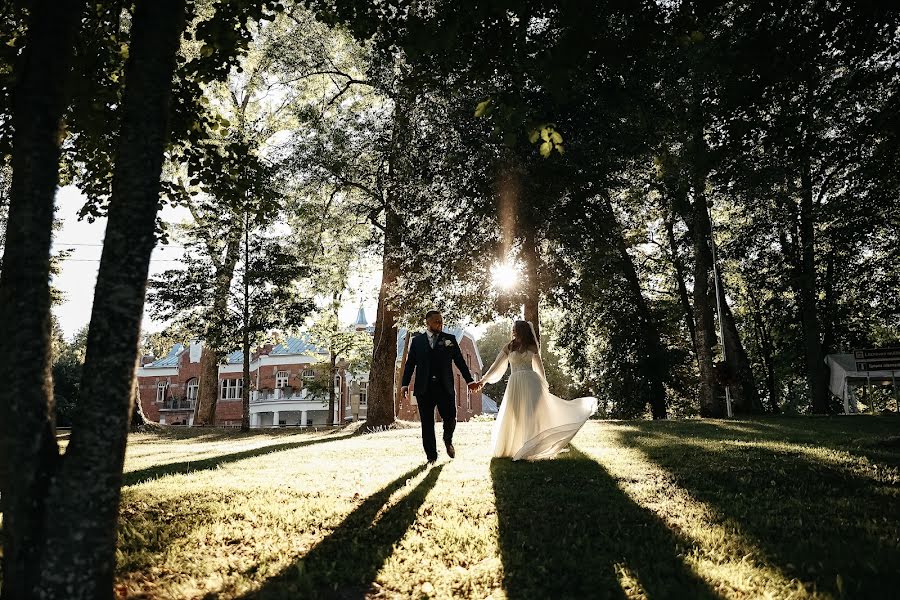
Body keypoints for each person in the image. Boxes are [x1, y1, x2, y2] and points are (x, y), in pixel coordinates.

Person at [480, 320, 597, 461]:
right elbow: (496, 365)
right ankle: (516, 447)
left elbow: (539, 366)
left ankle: (529, 448)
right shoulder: (509, 347)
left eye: (515, 329)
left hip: (532, 383)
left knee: (531, 415)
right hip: (515, 383)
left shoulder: (532, 347)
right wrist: (484, 379)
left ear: (521, 330)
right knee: (516, 415)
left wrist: (544, 383)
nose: (513, 331)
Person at [401, 310, 481, 464]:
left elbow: (460, 362)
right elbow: (410, 364)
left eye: (441, 321)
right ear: (428, 322)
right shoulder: (417, 341)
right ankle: (431, 456)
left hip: (445, 387)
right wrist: (405, 384)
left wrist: (470, 381)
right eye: (436, 321)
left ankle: (447, 439)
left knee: (450, 417)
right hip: (424, 389)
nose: (440, 324)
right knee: (427, 424)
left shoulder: (449, 339)